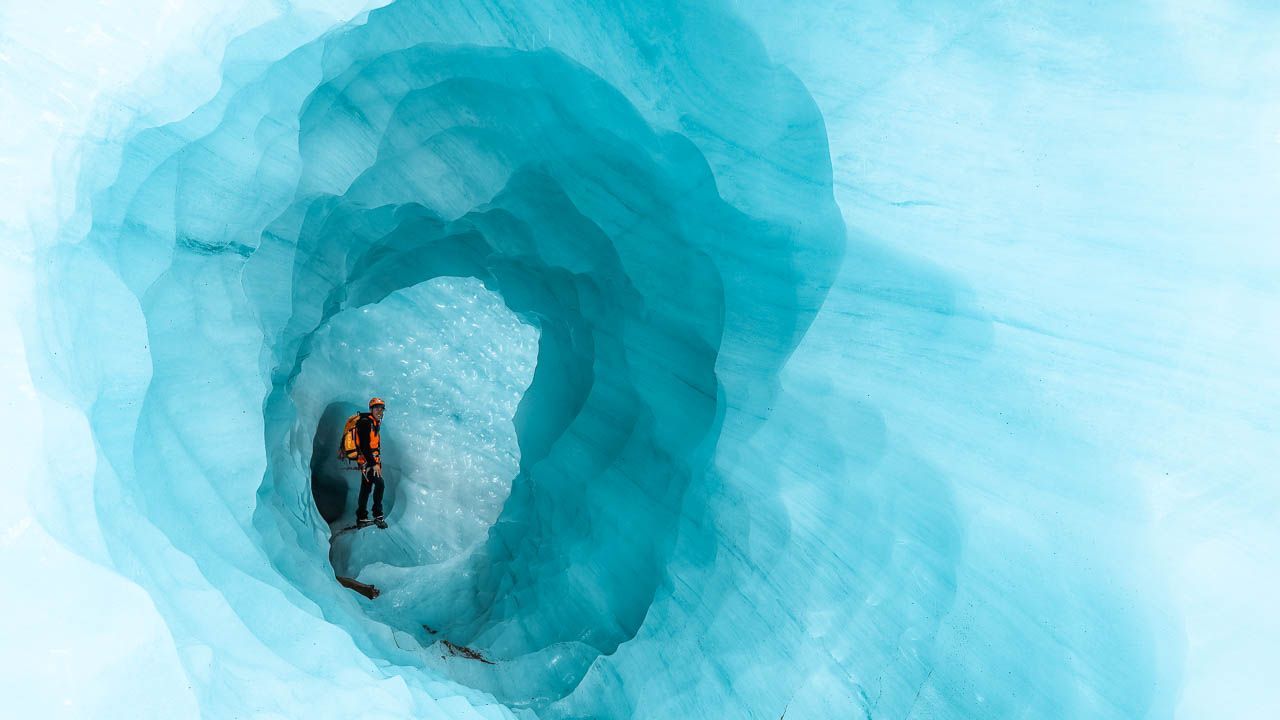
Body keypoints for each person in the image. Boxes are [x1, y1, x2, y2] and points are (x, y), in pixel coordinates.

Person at [355, 397, 387, 528]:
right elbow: (364, 446)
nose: (379, 411)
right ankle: (378, 515)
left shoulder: (374, 423)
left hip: (371, 462)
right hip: (367, 463)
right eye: (376, 408)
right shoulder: (365, 423)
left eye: (381, 409)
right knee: (380, 484)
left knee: (366, 489)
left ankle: (361, 517)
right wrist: (373, 464)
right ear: (371, 409)